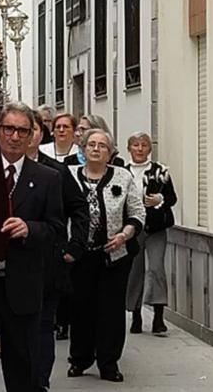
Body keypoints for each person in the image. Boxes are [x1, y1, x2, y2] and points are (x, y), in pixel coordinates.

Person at [0, 102, 64, 392]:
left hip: (22, 285)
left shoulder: (47, 178)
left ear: (33, 135)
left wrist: (30, 228)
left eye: (22, 130)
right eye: (9, 129)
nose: (15, 137)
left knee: (21, 362)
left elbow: (57, 229)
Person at [67, 129, 145, 383]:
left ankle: (108, 362)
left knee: (111, 311)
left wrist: (125, 234)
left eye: (102, 145)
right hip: (80, 257)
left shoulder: (122, 177)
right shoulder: (68, 176)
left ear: (110, 152)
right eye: (91, 144)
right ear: (83, 148)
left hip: (115, 255)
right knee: (81, 309)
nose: (96, 149)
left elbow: (137, 211)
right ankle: (80, 359)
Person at [28, 111, 89, 391]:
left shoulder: (56, 171)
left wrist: (74, 245)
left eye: (33, 129)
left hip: (47, 263)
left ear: (41, 134)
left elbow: (79, 208)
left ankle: (39, 383)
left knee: (43, 326)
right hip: (7, 267)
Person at [124, 132, 178, 335]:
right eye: (135, 145)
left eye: (144, 145)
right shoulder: (122, 171)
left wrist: (160, 199)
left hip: (156, 228)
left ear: (150, 149)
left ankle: (158, 317)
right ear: (129, 148)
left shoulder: (160, 171)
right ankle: (136, 315)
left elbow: (172, 198)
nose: (139, 149)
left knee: (156, 268)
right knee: (134, 271)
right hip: (132, 229)